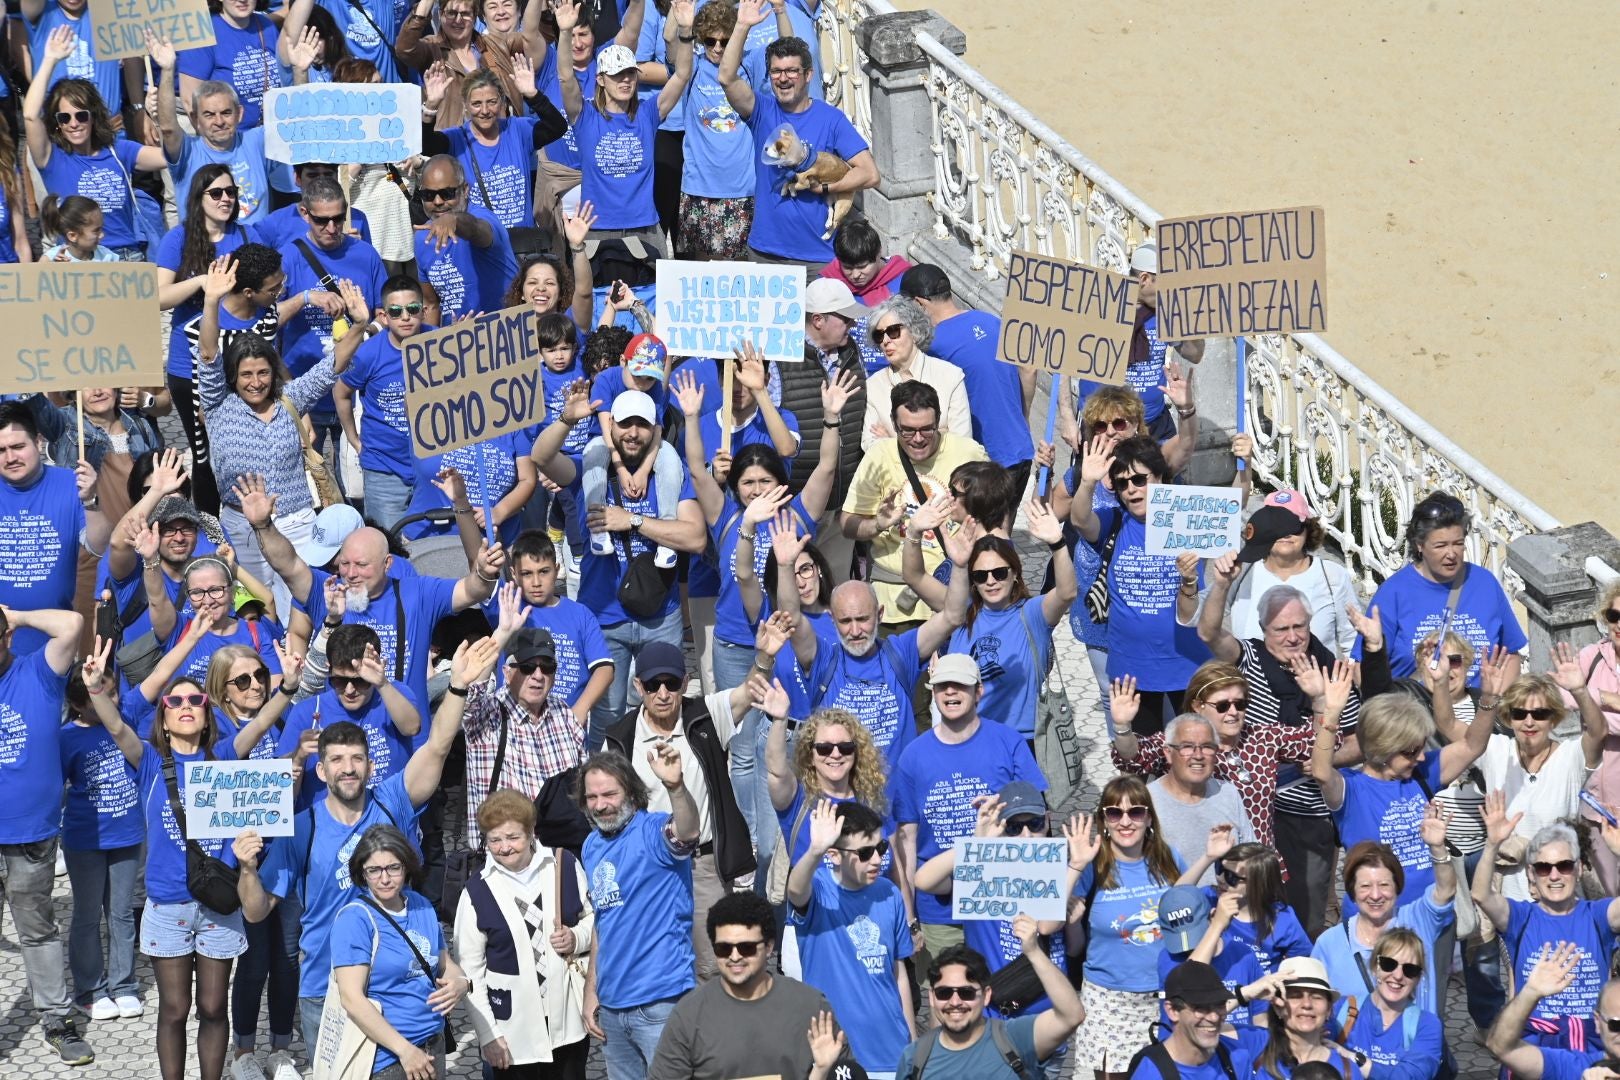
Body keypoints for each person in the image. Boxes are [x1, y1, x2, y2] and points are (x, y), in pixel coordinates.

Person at [232, 631, 472, 1052]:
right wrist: (248, 869)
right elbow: (255, 911)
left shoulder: (392, 801)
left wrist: (457, 687)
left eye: (357, 759)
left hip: (394, 986)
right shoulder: (301, 828)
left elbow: (436, 746)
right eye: (337, 760)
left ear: (370, 766)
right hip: (324, 989)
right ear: (320, 771)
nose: (348, 769)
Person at [78, 639, 245, 1080]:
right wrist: (95, 689)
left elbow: (261, 723)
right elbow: (117, 728)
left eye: (196, 700)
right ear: (164, 720)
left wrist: (287, 688)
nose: (186, 706)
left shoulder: (225, 758)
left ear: (207, 715)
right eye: (175, 701)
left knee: (214, 1006)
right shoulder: (150, 760)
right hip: (168, 905)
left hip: (219, 903)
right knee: (174, 1008)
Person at [529, 381, 707, 746]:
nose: (633, 433)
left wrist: (633, 521)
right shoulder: (588, 469)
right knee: (606, 717)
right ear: (611, 426)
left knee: (665, 716)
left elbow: (695, 538)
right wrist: (566, 420)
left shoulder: (671, 473)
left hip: (661, 616)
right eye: (625, 424)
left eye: (642, 425)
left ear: (655, 430)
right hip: (603, 616)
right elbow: (541, 458)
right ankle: (603, 780)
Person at [239, 499, 504, 713]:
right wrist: (263, 525)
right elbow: (287, 564)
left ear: (387, 564)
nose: (350, 573)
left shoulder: (418, 593)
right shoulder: (330, 592)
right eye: (345, 564)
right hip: (345, 738)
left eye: (361, 565)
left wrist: (484, 572)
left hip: (406, 735)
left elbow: (474, 590)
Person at [602, 639, 763, 976]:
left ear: (685, 682)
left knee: (713, 965)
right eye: (653, 685)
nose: (662, 693)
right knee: (656, 962)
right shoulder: (620, 738)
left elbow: (749, 692)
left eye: (671, 683)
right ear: (638, 687)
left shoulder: (705, 716)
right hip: (650, 867)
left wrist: (766, 655)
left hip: (703, 865)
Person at [1068, 774, 1228, 1080]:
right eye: (1114, 813)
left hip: (1164, 996)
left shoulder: (1166, 857)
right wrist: (1075, 866)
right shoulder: (1092, 865)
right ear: (1104, 820)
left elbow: (1176, 900)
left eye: (1136, 812)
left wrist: (1208, 858)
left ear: (1149, 818)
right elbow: (1057, 931)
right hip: (1109, 1000)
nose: (1125, 821)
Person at [892, 654, 1047, 966]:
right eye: (942, 686)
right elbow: (906, 839)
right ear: (933, 693)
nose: (950, 692)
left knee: (1005, 988)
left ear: (978, 691)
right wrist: (910, 917)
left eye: (960, 685)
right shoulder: (913, 756)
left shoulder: (1008, 741)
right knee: (946, 992)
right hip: (940, 909)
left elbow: (1039, 819)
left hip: (1000, 901)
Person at [0, 605, 95, 1065]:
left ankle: (57, 1020)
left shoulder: (37, 672)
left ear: (6, 639)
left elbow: (72, 624)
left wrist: (14, 615)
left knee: (37, 931)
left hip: (30, 834)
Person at [1314, 674, 1493, 910]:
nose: (1421, 757)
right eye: (1411, 751)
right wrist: (1331, 714)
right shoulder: (1352, 788)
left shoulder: (1421, 773)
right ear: (1383, 748)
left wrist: (1489, 698)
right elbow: (1321, 772)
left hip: (1432, 914)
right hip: (1374, 917)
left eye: (1421, 748)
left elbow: (1472, 745)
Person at [575, 747, 701, 1080]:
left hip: (661, 1003)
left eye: (609, 794)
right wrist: (591, 991)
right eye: (592, 797)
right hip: (612, 1008)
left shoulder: (653, 831)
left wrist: (675, 787)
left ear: (631, 793)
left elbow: (687, 833)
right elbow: (603, 922)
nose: (600, 805)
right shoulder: (591, 845)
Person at [1069, 433, 1208, 732]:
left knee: (1193, 749)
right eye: (1122, 483)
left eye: (1139, 480)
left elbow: (1232, 510)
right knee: (1142, 754)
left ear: (1160, 477)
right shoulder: (1114, 521)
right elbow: (1080, 521)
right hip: (1131, 667)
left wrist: (1244, 469)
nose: (1131, 489)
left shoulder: (1187, 518)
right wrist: (1088, 482)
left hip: (1187, 662)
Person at [720, 2, 876, 266]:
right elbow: (726, 77)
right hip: (766, 252)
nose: (783, 78)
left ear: (808, 75)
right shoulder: (761, 110)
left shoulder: (831, 119)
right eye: (776, 71)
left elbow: (870, 174)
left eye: (792, 71)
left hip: (819, 257)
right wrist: (742, 25)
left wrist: (825, 187)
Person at [455, 788, 594, 1080]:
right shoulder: (476, 890)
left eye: (512, 837)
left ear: (531, 833)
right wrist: (488, 1035)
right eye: (494, 840)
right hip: (513, 1034)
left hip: (567, 1024)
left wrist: (576, 937)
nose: (504, 847)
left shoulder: (564, 865)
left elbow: (593, 920)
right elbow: (470, 971)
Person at [156, 166, 263, 514]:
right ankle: (210, 527)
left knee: (245, 451)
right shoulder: (179, 238)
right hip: (189, 366)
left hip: (238, 364)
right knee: (204, 456)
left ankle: (248, 521)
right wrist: (203, 283)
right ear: (198, 197)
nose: (225, 199)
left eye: (231, 192)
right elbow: (158, 297)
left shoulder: (246, 235)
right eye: (216, 193)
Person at [839, 380, 987, 627]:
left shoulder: (969, 452)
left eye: (927, 429)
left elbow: (996, 514)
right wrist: (877, 524)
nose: (918, 439)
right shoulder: (879, 456)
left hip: (955, 595)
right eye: (907, 430)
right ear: (893, 423)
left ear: (938, 420)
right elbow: (847, 525)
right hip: (894, 604)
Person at [649, 891, 843, 1080]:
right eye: (723, 948)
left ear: (769, 947)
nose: (734, 957)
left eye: (746, 948)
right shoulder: (689, 1015)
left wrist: (821, 1072)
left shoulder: (811, 1007)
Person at [926, 497, 1074, 739]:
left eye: (999, 573)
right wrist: (915, 534)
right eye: (981, 575)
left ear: (1015, 573)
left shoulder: (1032, 613)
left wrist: (1058, 544)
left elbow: (1067, 593)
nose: (991, 581)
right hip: (968, 738)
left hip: (1022, 740)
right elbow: (914, 577)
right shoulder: (960, 615)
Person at [1475, 806, 1620, 1053]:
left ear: (1579, 869)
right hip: (1533, 1046)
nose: (1554, 876)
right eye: (1544, 868)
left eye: (1564, 866)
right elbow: (1480, 894)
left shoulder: (1597, 916)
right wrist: (1492, 845)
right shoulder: (1520, 917)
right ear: (1531, 874)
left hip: (1591, 1048)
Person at [332, 824, 470, 1079]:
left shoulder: (421, 906)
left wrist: (462, 982)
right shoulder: (354, 919)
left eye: (393, 867)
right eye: (374, 870)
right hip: (386, 1058)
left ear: (406, 867)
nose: (384, 879)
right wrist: (405, 1050)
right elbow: (351, 998)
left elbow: (443, 963)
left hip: (432, 1045)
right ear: (362, 873)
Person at [786, 799, 914, 1075]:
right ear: (834, 855)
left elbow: (898, 973)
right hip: (837, 1053)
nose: (877, 860)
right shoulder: (819, 889)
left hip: (893, 1050)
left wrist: (912, 1046)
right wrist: (815, 850)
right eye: (865, 853)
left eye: (881, 848)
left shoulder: (889, 892)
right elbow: (795, 891)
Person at [555, 0, 688, 261]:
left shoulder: (648, 114)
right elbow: (565, 77)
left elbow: (682, 75)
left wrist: (685, 30)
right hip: (596, 231)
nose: (625, 80)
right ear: (601, 79)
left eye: (630, 73)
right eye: (617, 74)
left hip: (645, 229)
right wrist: (565, 32)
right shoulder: (585, 116)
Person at [25, 28, 173, 260]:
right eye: (65, 118)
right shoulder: (52, 159)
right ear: (58, 123)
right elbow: (30, 116)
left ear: (93, 117)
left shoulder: (119, 150)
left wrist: (166, 75)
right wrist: (50, 60)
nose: (74, 123)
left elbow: (171, 155)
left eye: (81, 115)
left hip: (125, 257)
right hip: (78, 260)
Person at [1357, 491, 1527, 688]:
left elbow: (1510, 655)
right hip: (1415, 705)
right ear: (1419, 545)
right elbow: (1360, 669)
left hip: (1478, 704)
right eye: (1441, 546)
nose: (1451, 554)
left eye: (1458, 544)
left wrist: (1494, 701)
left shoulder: (1484, 583)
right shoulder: (1393, 593)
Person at [458, 587, 586, 842]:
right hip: (506, 851)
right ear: (507, 673)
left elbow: (585, 784)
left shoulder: (564, 713)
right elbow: (469, 692)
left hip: (562, 849)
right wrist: (502, 633)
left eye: (547, 667)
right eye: (527, 667)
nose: (538, 675)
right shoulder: (488, 713)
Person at [899, 263, 1036, 493]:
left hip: (984, 463)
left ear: (919, 304)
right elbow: (1029, 369)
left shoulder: (932, 345)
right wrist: (1023, 418)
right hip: (1021, 449)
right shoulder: (991, 320)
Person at [58, 668, 144, 1024]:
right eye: (101, 696)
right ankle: (90, 990)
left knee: (122, 913)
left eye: (113, 691)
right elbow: (56, 785)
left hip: (128, 835)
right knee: (88, 914)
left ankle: (124, 985)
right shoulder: (65, 737)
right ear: (79, 705)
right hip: (85, 840)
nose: (114, 700)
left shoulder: (124, 721)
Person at [898, 925, 1084, 1080]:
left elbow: (1071, 1015)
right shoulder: (916, 1056)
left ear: (986, 995)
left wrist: (1034, 952)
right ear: (931, 997)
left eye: (966, 992)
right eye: (944, 993)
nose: (955, 1001)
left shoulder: (1014, 1037)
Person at [275, 625, 425, 808]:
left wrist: (382, 684)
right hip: (326, 823)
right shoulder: (306, 712)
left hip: (386, 817)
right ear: (328, 669)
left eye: (360, 681)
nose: (349, 690)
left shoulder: (395, 694)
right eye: (339, 680)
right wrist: (298, 756)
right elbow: (281, 795)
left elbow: (411, 728)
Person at [0, 403, 109, 654]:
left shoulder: (72, 484)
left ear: (38, 442)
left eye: (18, 447)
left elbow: (99, 545)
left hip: (53, 646)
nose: (10, 458)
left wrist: (91, 501)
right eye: (1, 450)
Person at [1310, 835, 1457, 1016]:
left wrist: (1437, 847)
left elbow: (1446, 891)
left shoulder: (1417, 919)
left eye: (1384, 885)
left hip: (1413, 1034)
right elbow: (1314, 1002)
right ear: (1352, 891)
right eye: (1365, 886)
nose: (1375, 895)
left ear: (1397, 886)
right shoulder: (1329, 943)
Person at [1076, 241, 1205, 444]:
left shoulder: (1167, 311)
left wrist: (1187, 322)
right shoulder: (1102, 304)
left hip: (1154, 425)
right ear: (1144, 279)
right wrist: (1067, 417)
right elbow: (1062, 359)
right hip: (1106, 429)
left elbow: (1195, 354)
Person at [334, 275, 433, 530]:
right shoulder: (367, 354)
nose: (405, 317)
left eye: (412, 309)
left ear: (423, 311)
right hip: (384, 468)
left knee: (434, 542)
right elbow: (341, 393)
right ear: (384, 316)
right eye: (396, 311)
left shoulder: (440, 342)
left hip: (434, 464)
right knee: (388, 543)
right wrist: (355, 440)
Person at [421, 62, 569, 230]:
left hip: (522, 241)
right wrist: (431, 106)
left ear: (502, 101)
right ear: (465, 105)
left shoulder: (517, 130)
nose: (485, 110)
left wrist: (532, 95)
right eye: (476, 104)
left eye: (491, 102)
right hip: (481, 240)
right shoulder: (457, 139)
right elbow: (426, 145)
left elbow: (558, 127)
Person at [1221, 491, 1359, 657]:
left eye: (1294, 526)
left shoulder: (1333, 576)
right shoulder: (1241, 571)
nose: (1285, 533)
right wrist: (1196, 582)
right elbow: (1200, 620)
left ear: (1308, 530)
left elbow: (1353, 642)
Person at [675, 0, 757, 261]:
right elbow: (678, 62)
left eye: (725, 41)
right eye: (711, 41)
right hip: (699, 186)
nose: (718, 48)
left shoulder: (749, 65)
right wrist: (685, 28)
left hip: (741, 187)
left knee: (741, 270)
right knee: (704, 272)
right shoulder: (694, 67)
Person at [500, 536, 614, 720]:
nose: (536, 582)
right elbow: (478, 576)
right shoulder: (507, 605)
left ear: (557, 569)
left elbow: (604, 668)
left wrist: (580, 711)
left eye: (544, 571)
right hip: (515, 721)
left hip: (565, 723)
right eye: (526, 573)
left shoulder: (581, 614)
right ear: (513, 573)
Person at [1136, 713, 1256, 886]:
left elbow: (1251, 854)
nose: (1198, 755)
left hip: (1229, 897)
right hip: (1170, 900)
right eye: (1187, 747)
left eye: (1207, 747)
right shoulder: (1145, 801)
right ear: (1168, 753)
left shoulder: (1227, 792)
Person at [1485, 943, 1620, 1080]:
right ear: (1598, 1022)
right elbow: (1501, 1047)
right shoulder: (1576, 1067)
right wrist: (1530, 993)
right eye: (1616, 1025)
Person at [414, 153, 519, 321]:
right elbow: (431, 303)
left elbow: (477, 230)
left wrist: (455, 220)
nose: (438, 201)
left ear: (465, 190)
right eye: (428, 195)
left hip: (504, 328)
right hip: (457, 334)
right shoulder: (422, 238)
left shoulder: (484, 218)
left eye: (447, 193)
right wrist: (432, 335)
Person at [396, 0, 531, 129]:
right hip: (453, 141)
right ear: (440, 14)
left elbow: (533, 37)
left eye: (465, 13)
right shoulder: (431, 48)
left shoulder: (495, 45)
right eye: (451, 13)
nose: (458, 20)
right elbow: (404, 48)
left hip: (499, 138)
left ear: (474, 16)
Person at [860, 294, 971, 450]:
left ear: (914, 331)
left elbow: (962, 443)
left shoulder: (951, 375)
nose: (885, 341)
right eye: (879, 335)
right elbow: (869, 445)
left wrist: (892, 440)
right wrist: (938, 434)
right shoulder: (874, 385)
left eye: (893, 331)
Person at [1334, 928, 1446, 1080]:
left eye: (1410, 969)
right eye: (1389, 964)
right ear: (1375, 967)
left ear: (1418, 978)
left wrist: (1350, 1057)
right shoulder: (1340, 1009)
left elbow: (1411, 1076)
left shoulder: (1427, 1025)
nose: (1398, 976)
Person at [1123, 960, 1257, 1080]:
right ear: (1172, 1011)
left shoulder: (1236, 1057)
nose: (1214, 1017)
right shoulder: (1150, 1074)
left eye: (1219, 1005)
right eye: (1201, 1008)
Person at [162, 81, 270, 224]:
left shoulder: (256, 141)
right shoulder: (187, 152)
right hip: (203, 238)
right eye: (209, 115)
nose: (219, 121)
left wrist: (297, 72)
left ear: (239, 114)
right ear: (195, 118)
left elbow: (296, 124)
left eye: (226, 113)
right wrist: (167, 71)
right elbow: (168, 130)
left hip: (255, 238)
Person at [176, 0, 288, 128]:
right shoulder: (203, 31)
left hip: (273, 133)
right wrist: (216, 136)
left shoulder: (266, 26)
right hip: (229, 137)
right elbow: (190, 100)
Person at [1245, 956, 1360, 1080]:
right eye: (1296, 996)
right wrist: (1245, 994)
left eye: (1316, 997)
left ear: (1328, 1010)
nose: (1307, 1004)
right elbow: (1225, 1028)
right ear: (1278, 1008)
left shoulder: (1348, 1070)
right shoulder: (1255, 1054)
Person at [1578, 579, 1620, 893]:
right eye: (1614, 615)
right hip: (1595, 805)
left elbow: (1597, 722)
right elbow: (1559, 695)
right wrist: (1604, 698)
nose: (1619, 624)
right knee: (1608, 896)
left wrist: (1595, 708)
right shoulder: (1592, 656)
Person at [38, 195, 115, 261]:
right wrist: (58, 269)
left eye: (101, 228)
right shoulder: (50, 259)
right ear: (73, 236)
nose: (102, 235)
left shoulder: (107, 256)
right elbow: (39, 273)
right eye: (96, 230)